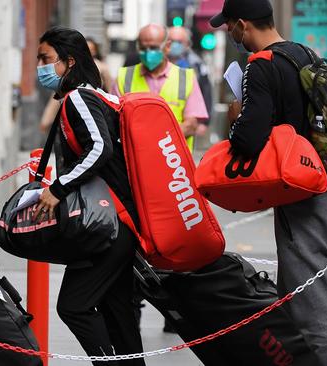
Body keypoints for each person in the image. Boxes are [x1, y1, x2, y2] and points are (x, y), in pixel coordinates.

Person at [211, 0, 327, 365]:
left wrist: (236, 118)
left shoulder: (261, 67)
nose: (230, 34)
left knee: (311, 306)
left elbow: (248, 139)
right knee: (291, 297)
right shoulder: (306, 56)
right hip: (324, 189)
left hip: (300, 194)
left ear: (243, 25)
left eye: (230, 27)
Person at [34, 26, 145, 365]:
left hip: (110, 224)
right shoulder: (95, 96)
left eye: (45, 59)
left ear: (69, 62)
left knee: (74, 305)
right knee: (118, 314)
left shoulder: (80, 97)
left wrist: (58, 187)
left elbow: (100, 149)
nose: (39, 66)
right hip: (120, 223)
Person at [112, 24, 208, 152]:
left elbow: (190, 125)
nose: (148, 53)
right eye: (143, 48)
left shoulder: (186, 77)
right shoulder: (124, 77)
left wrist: (155, 140)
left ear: (167, 46)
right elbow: (114, 121)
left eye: (153, 48)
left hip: (175, 164)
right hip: (135, 161)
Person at [167, 26, 213, 135]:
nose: (174, 44)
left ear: (187, 43)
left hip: (187, 123)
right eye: (171, 41)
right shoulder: (159, 62)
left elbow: (206, 92)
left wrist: (205, 122)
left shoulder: (196, 64)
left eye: (178, 41)